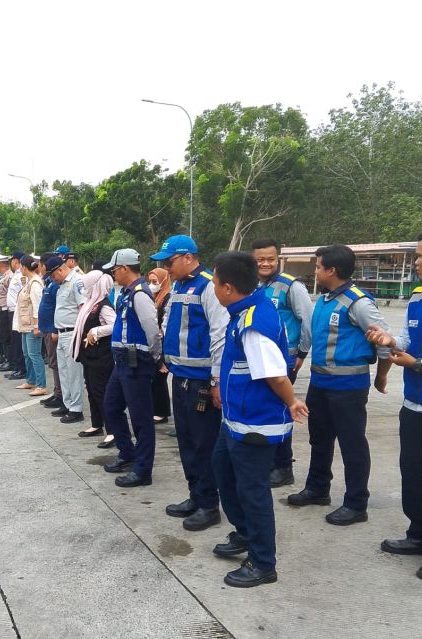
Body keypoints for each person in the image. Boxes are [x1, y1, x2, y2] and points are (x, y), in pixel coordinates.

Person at [210, 252, 309, 588]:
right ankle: (245, 534)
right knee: (221, 469)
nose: (213, 289)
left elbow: (274, 375)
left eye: (214, 283)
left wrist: (292, 401)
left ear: (227, 287)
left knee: (253, 491)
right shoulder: (246, 309)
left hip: (255, 422)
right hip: (235, 418)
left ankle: (263, 562)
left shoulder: (253, 322)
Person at [286, 244, 391, 526]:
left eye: (319, 267)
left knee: (352, 444)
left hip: (348, 386)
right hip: (320, 382)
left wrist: (381, 377)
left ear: (332, 270)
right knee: (319, 438)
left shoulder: (358, 303)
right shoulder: (325, 299)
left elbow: (384, 343)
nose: (316, 271)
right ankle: (318, 488)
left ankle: (356, 504)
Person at [366, 227, 422, 582]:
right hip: (413, 403)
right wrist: (390, 340)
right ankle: (418, 535)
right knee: (413, 473)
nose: (415, 262)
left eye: (419, 256)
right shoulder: (417, 297)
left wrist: (419, 364)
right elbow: (409, 339)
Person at [155, 235, 228, 532]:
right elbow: (169, 323)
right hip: (181, 376)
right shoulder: (180, 286)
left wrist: (216, 381)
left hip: (201, 380)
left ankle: (210, 504)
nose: (165, 268)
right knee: (186, 441)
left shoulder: (209, 285)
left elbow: (220, 333)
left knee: (203, 444)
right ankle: (195, 495)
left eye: (169, 262)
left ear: (188, 257)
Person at [252, 238, 314, 488]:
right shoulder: (253, 285)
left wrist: (300, 354)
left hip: (284, 362)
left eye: (270, 259)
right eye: (260, 259)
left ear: (278, 259)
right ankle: (267, 463)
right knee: (264, 411)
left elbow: (307, 322)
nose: (266, 264)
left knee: (281, 410)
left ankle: (283, 466)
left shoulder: (291, 286)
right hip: (259, 360)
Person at [101, 249, 162, 487]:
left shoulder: (139, 294)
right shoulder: (126, 293)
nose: (113, 274)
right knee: (111, 406)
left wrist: (155, 358)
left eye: (115, 270)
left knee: (141, 418)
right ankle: (127, 453)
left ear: (125, 268)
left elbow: (152, 330)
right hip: (123, 362)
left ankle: (143, 469)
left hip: (136, 363)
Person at [73, 269, 115, 440]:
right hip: (89, 356)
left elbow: (115, 325)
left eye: (87, 286)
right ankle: (97, 424)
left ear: (95, 286)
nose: (85, 289)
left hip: (101, 358)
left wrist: (96, 331)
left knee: (101, 392)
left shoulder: (103, 305)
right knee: (91, 390)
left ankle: (112, 431)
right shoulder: (92, 303)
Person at [48, 255, 86, 424]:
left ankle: (76, 409)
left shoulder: (77, 281)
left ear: (60, 269)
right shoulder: (62, 284)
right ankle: (67, 403)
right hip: (61, 332)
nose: (52, 278)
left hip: (72, 333)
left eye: (53, 275)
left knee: (74, 373)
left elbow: (83, 308)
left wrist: (80, 333)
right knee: (63, 371)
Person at [16, 255, 48, 396]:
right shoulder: (29, 282)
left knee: (34, 354)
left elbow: (37, 306)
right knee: (27, 353)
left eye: (21, 266)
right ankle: (31, 380)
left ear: (24, 267)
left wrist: (36, 326)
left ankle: (41, 385)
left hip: (32, 325)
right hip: (25, 324)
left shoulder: (35, 284)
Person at [38, 252, 64, 406]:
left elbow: (58, 309)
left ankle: (60, 395)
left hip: (52, 330)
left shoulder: (55, 285)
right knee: (53, 363)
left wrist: (55, 329)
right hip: (46, 329)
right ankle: (57, 392)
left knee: (56, 364)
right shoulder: (48, 282)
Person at [147, 268, 172, 425]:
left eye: (155, 282)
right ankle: (156, 409)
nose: (151, 285)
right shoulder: (155, 296)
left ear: (164, 281)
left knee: (159, 379)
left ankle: (162, 412)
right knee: (154, 378)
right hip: (155, 341)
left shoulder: (167, 297)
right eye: (150, 281)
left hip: (163, 343)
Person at [6, 251, 28, 377]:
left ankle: (21, 369)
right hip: (13, 311)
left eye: (12, 260)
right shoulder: (17, 274)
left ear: (16, 260)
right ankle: (17, 367)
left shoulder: (22, 276)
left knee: (18, 342)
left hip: (18, 311)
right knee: (15, 341)